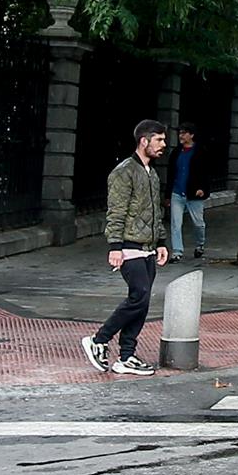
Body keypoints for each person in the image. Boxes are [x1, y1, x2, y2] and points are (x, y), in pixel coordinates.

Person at [81, 120, 170, 376]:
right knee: (138, 296)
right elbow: (116, 211)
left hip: (149, 247)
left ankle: (126, 356)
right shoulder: (124, 172)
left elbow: (155, 213)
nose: (163, 145)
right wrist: (115, 246)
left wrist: (161, 242)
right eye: (159, 140)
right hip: (129, 245)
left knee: (141, 303)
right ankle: (99, 340)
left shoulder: (151, 173)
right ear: (144, 140)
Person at [167, 122, 210, 260]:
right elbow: (170, 174)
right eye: (180, 133)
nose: (181, 136)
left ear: (191, 135)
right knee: (175, 223)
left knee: (198, 223)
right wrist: (168, 195)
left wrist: (203, 189)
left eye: (184, 133)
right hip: (177, 192)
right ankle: (177, 252)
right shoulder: (175, 152)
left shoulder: (200, 151)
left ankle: (200, 245)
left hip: (194, 194)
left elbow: (206, 173)